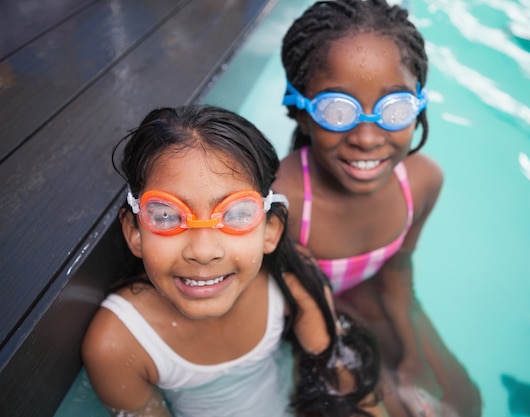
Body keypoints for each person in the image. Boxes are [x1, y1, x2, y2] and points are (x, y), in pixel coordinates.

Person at [81, 105, 384, 417]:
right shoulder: (119, 345)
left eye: (236, 214)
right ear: (134, 232)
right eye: (166, 216)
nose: (203, 251)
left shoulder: (291, 280)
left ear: (271, 230)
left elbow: (346, 388)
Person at [273, 1, 482, 416]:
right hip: (303, 318)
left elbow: (398, 270)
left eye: (395, 109)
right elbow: (276, 313)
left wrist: (412, 354)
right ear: (300, 110)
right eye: (337, 110)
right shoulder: (282, 200)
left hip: (370, 292)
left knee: (459, 403)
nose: (367, 138)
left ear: (419, 104)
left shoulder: (421, 183)